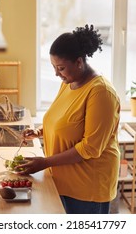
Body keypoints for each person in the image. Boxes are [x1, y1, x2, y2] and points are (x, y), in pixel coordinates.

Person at [18, 24, 121, 214]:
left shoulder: (101, 93)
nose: (57, 73)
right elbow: (63, 120)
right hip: (62, 180)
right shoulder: (69, 81)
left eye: (61, 68)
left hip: (88, 186)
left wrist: (45, 162)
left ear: (79, 62)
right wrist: (39, 132)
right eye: (54, 67)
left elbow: (90, 147)